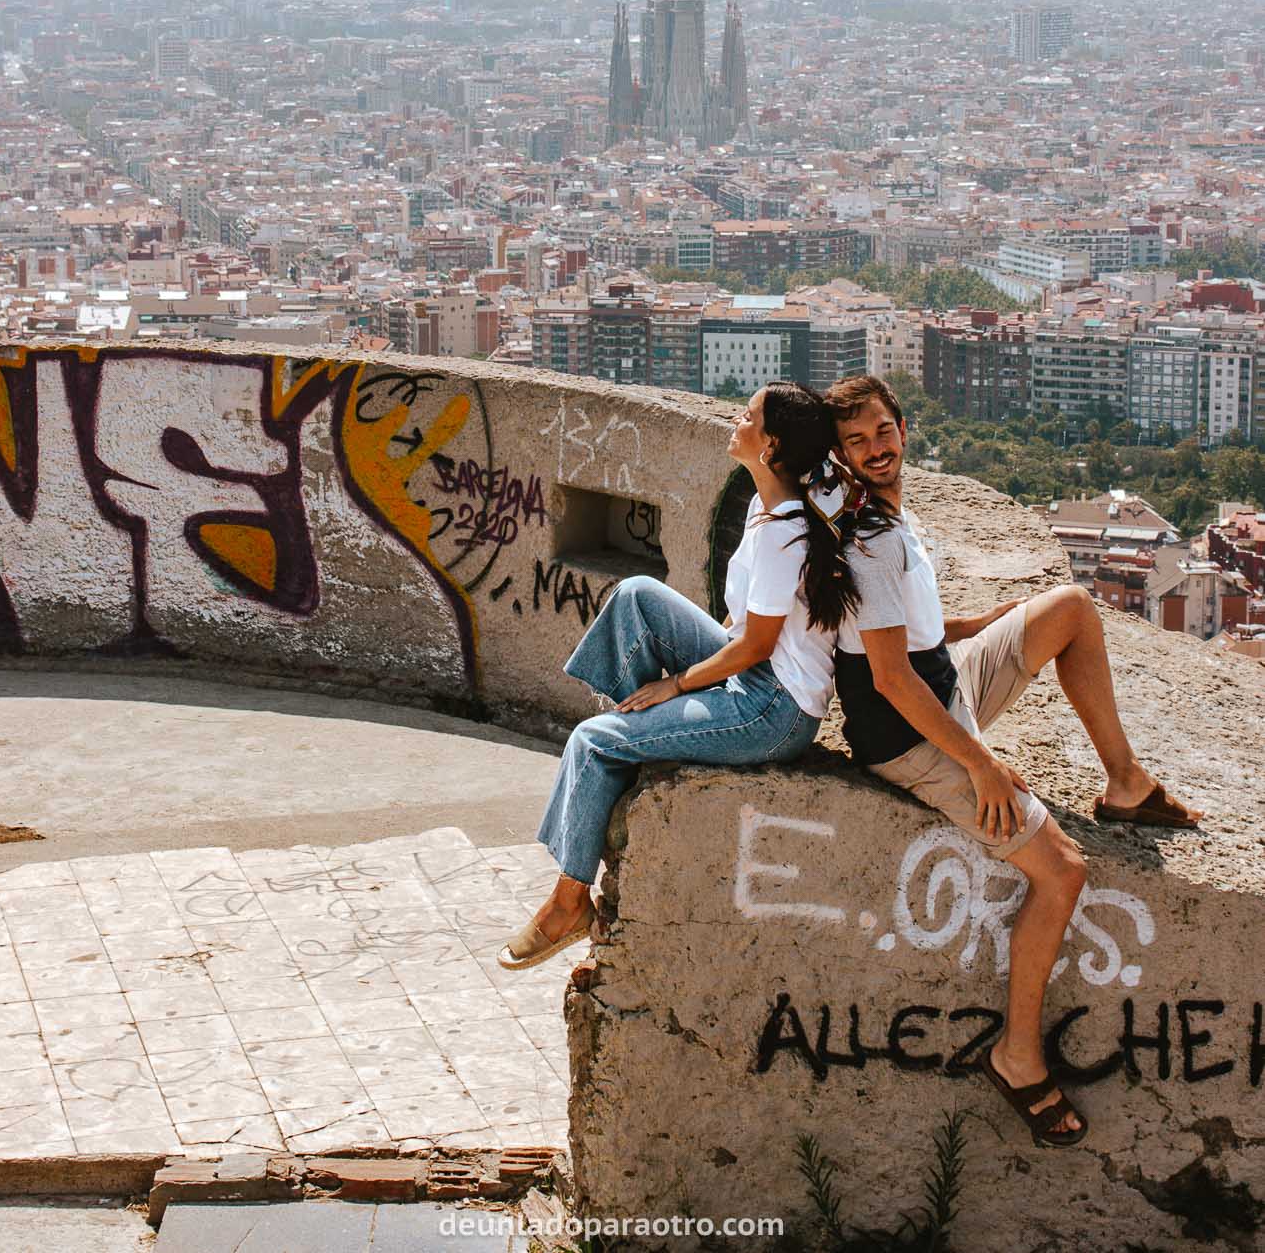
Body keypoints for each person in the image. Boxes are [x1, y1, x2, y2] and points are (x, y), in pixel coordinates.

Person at [824, 372, 1203, 1149]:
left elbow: (910, 634)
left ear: (902, 427)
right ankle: (1017, 1053)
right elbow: (889, 678)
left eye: (882, 432)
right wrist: (982, 766)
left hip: (941, 685)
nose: (875, 450)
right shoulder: (865, 537)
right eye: (855, 442)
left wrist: (983, 622)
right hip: (908, 733)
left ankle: (1125, 783)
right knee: (1061, 869)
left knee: (1068, 608)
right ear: (838, 453)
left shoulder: (891, 514)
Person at [498, 381, 872, 970]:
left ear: (771, 446)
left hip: (771, 710)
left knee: (592, 743)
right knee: (637, 596)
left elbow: (756, 645)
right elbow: (742, 622)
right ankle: (639, 739)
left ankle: (570, 902)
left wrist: (676, 685)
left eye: (747, 417)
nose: (736, 421)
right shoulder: (768, 502)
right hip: (752, 673)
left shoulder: (783, 533)